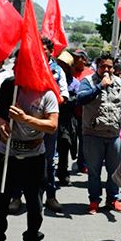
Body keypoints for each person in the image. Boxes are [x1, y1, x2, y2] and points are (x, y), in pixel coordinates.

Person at [0, 66, 59, 241]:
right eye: (18, 67)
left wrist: (25, 119)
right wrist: (0, 124)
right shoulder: (9, 87)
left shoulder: (47, 93)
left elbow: (52, 126)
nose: (20, 72)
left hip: (34, 158)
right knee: (0, 205)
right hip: (6, 156)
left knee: (35, 206)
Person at [77, 52, 121, 214]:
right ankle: (94, 201)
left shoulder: (119, 82)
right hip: (92, 134)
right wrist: (99, 86)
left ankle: (113, 199)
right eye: (103, 66)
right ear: (97, 66)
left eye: (110, 66)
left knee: (114, 170)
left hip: (114, 135)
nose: (107, 69)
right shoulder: (88, 81)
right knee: (94, 171)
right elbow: (80, 99)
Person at [42, 37, 69, 213]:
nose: (42, 51)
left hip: (49, 122)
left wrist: (50, 103)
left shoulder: (58, 70)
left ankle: (50, 197)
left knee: (49, 161)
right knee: (22, 158)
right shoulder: (29, 66)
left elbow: (64, 96)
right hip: (28, 122)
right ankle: (16, 197)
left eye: (45, 49)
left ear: (51, 52)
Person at [56, 50, 80, 186]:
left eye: (64, 65)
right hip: (50, 115)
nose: (61, 67)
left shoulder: (75, 83)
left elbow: (77, 99)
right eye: (59, 64)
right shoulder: (53, 79)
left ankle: (63, 173)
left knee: (65, 144)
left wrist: (65, 99)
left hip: (66, 118)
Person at [72, 49, 94, 174]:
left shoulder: (90, 74)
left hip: (85, 114)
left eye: (78, 57)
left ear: (84, 60)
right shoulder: (70, 72)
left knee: (83, 140)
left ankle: (82, 163)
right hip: (71, 113)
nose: (76, 59)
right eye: (74, 57)